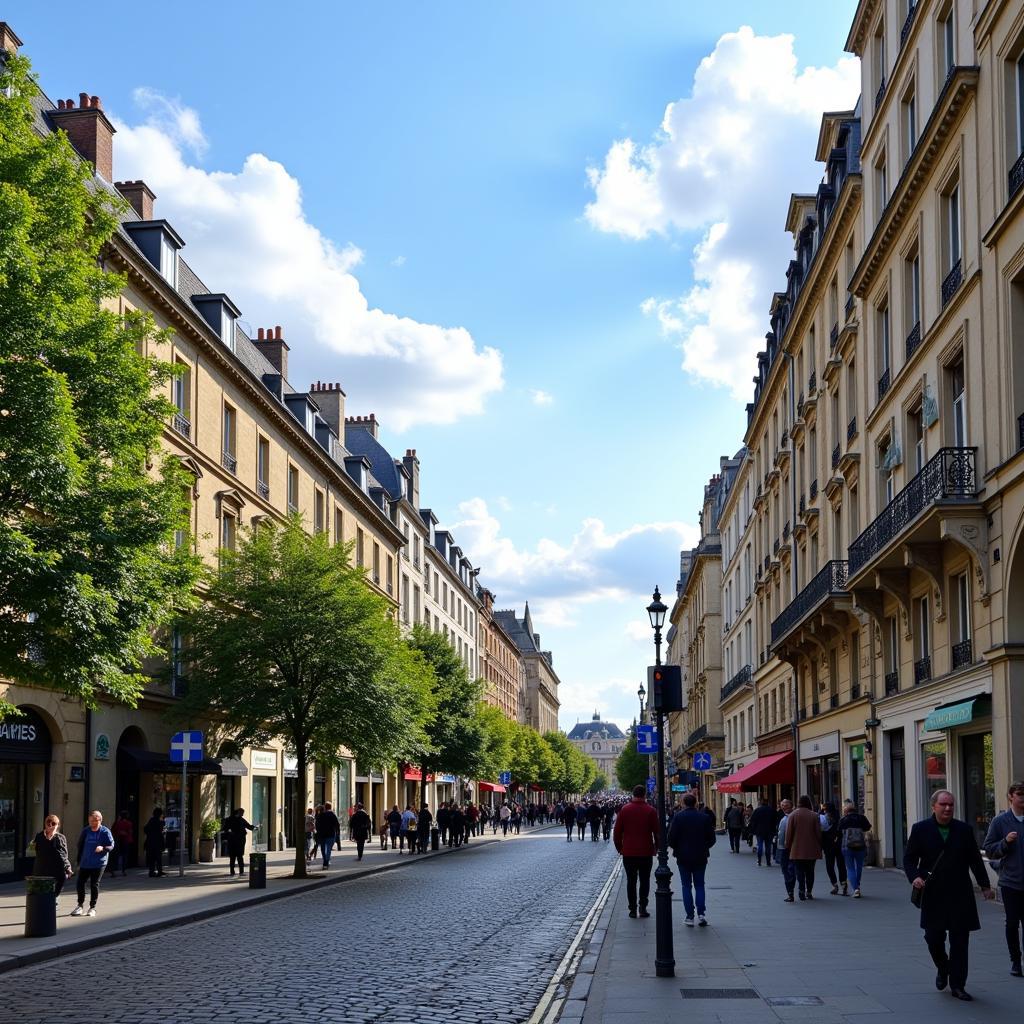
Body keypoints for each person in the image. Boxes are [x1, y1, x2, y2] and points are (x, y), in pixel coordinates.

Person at [904, 789, 994, 1001]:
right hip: (933, 893)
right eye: (943, 804)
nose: (947, 808)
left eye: (951, 805)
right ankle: (943, 967)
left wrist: (985, 885)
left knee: (960, 942)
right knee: (933, 937)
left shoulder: (963, 830)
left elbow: (975, 859)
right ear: (933, 806)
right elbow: (909, 859)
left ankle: (958, 985)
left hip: (960, 894)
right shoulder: (920, 829)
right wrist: (914, 877)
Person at [984, 781, 1024, 976]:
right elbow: (989, 850)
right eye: (1020, 794)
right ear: (1011, 797)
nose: (1023, 798)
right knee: (1012, 923)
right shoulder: (1000, 821)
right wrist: (1005, 843)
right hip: (1010, 882)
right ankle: (1016, 961)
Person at [668, 792, 716, 926]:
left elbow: (671, 839)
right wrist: (704, 847)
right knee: (700, 885)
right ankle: (701, 913)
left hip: (683, 857)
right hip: (700, 856)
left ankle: (689, 916)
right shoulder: (704, 818)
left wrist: (677, 848)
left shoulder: (678, 817)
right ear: (695, 803)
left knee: (686, 886)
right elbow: (712, 839)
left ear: (683, 803)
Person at [613, 784, 659, 919]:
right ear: (644, 795)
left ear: (633, 794)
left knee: (631, 881)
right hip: (645, 852)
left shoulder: (625, 810)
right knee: (645, 881)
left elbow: (617, 833)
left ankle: (632, 909)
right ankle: (643, 907)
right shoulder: (650, 810)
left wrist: (620, 848)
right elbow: (657, 832)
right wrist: (657, 847)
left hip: (628, 852)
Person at [72, 810, 114, 917]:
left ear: (100, 820)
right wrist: (78, 862)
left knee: (94, 884)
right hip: (85, 862)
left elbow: (111, 846)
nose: (92, 823)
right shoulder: (86, 831)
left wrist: (103, 848)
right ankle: (80, 905)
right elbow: (80, 846)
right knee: (80, 883)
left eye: (94, 821)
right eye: (90, 821)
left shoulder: (105, 832)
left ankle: (92, 908)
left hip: (99, 863)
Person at [784, 796, 821, 900]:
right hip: (811, 848)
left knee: (799, 870)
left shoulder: (793, 815)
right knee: (810, 871)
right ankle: (809, 891)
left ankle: (801, 889)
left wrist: (788, 846)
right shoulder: (814, 815)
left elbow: (789, 833)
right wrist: (819, 844)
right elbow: (818, 833)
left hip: (797, 849)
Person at [32, 814, 73, 907]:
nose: (51, 825)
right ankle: (47, 902)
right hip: (42, 867)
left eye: (54, 823)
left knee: (60, 881)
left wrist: (67, 867)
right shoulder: (39, 836)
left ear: (58, 825)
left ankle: (53, 899)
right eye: (48, 823)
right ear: (45, 824)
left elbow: (64, 854)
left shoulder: (60, 838)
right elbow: (35, 850)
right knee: (42, 890)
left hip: (56, 867)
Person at [838, 800, 872, 898]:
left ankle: (856, 888)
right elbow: (868, 828)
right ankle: (857, 885)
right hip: (860, 846)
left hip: (847, 847)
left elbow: (838, 831)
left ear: (846, 811)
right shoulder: (861, 818)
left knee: (850, 868)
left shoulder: (844, 819)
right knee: (859, 867)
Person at [820, 801, 848, 896]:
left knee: (829, 865)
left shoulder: (824, 819)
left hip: (828, 846)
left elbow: (821, 831)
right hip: (839, 845)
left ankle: (834, 884)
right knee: (841, 865)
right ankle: (844, 885)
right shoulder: (839, 818)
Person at [223, 808, 255, 876]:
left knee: (235, 856)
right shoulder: (233, 819)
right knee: (237, 856)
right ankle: (237, 871)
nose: (243, 814)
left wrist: (254, 827)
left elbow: (248, 826)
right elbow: (225, 829)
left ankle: (236, 871)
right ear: (238, 812)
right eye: (242, 813)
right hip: (236, 840)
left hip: (236, 840)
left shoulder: (237, 819)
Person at [776, 799, 796, 902]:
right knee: (792, 868)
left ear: (791, 806)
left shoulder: (787, 818)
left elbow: (782, 834)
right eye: (782, 805)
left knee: (787, 869)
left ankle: (790, 892)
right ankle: (801, 890)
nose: (784, 807)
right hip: (792, 847)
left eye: (786, 805)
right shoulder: (785, 817)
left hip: (787, 847)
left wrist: (781, 846)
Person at [749, 797, 777, 867]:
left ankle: (759, 861)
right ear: (768, 803)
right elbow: (776, 821)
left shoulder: (757, 810)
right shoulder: (772, 810)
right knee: (768, 846)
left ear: (761, 803)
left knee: (760, 845)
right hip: (770, 831)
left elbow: (752, 821)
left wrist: (753, 830)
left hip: (759, 831)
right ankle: (768, 862)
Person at [143, 807, 166, 877]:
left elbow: (145, 829)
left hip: (150, 842)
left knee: (152, 857)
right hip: (157, 842)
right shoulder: (159, 822)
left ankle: (152, 871)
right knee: (158, 857)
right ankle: (158, 871)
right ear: (160, 814)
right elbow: (160, 832)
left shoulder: (151, 820)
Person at [110, 811, 133, 877]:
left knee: (115, 855)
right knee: (124, 855)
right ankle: (124, 871)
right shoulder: (129, 823)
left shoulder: (117, 823)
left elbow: (112, 830)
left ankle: (113, 871)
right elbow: (130, 832)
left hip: (117, 840)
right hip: (125, 840)